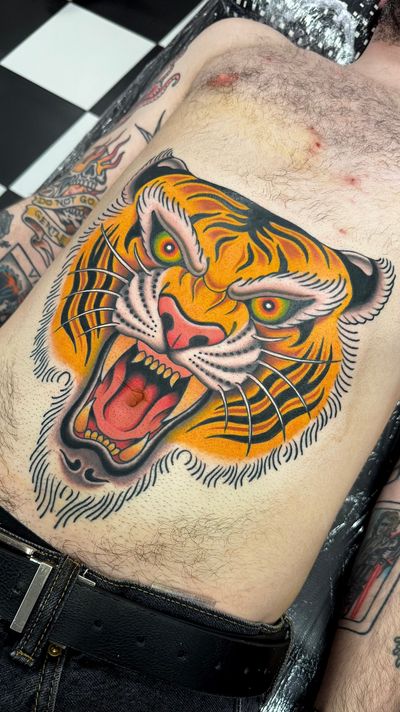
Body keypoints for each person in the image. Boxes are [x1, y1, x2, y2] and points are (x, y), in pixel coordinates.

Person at [0, 3, 399, 710]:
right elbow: (46, 225)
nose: (191, 316)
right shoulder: (236, 44)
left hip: (152, 668)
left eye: (272, 308)